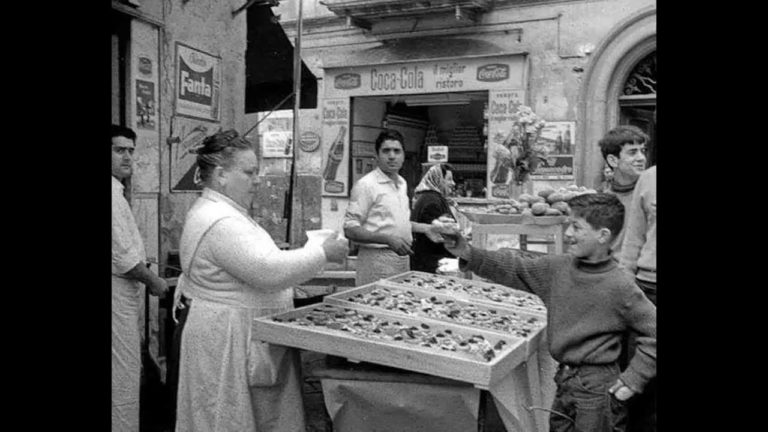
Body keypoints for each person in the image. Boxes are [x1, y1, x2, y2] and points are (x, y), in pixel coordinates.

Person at [173, 130, 349, 431]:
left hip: (235, 330)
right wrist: (321, 253)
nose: (257, 180)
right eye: (249, 172)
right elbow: (269, 272)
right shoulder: (220, 220)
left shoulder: (225, 211)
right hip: (228, 336)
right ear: (220, 175)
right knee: (226, 416)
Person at [442, 193, 656, 432]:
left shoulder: (621, 286)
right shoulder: (558, 269)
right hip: (564, 381)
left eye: (576, 227)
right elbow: (515, 267)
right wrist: (467, 252)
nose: (568, 234)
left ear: (603, 236)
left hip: (598, 391)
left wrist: (634, 379)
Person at [111, 124, 169, 432]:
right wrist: (154, 281)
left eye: (131, 151)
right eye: (119, 150)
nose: (127, 157)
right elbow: (123, 258)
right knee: (122, 374)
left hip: (122, 294)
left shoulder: (117, 192)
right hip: (116, 294)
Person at [343, 129, 443, 286]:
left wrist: (427, 229)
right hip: (376, 259)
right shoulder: (366, 185)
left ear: (403, 156)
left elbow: (398, 223)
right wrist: (387, 239)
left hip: (402, 259)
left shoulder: (402, 183)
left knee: (399, 304)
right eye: (386, 151)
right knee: (375, 305)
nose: (391, 156)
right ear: (376, 156)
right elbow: (350, 229)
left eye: (397, 151)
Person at [620, 165, 657, 432]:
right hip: (648, 288)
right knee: (640, 377)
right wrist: (624, 287)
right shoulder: (649, 178)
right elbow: (633, 238)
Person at [598, 125, 648, 258]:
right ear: (613, 160)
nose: (641, 158)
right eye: (632, 152)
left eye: (642, 151)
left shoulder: (650, 194)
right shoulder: (602, 199)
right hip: (612, 272)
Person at [410, 163, 458, 273]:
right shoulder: (432, 201)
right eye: (449, 180)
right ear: (438, 180)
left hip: (426, 263)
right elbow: (440, 233)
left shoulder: (428, 197)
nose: (453, 183)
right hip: (432, 265)